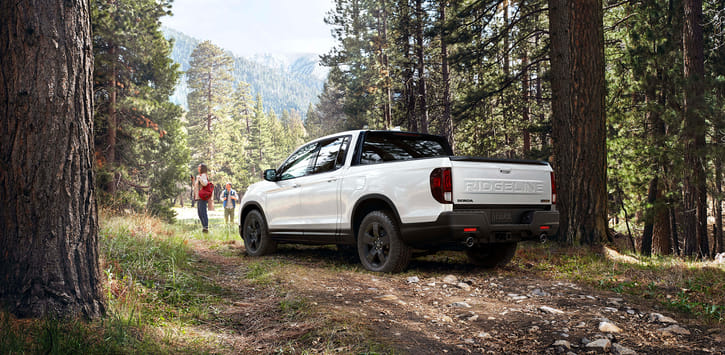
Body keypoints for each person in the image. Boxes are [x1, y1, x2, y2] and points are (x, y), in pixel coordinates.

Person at [193, 163, 211, 233]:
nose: (198, 168)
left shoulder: (203, 175)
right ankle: (204, 226)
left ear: (202, 168)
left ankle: (206, 227)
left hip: (202, 197)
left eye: (199, 167)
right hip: (199, 197)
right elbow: (196, 186)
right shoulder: (200, 176)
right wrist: (194, 180)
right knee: (200, 213)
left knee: (203, 212)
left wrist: (199, 178)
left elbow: (205, 183)